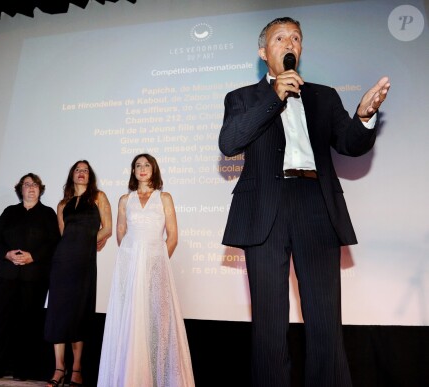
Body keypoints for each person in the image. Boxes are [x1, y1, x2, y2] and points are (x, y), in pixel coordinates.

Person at [218, 17, 390, 387]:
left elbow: (351, 145)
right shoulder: (242, 98)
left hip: (316, 204)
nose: (289, 42)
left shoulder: (323, 96)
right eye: (280, 37)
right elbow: (229, 143)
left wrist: (364, 116)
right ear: (264, 53)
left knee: (325, 317)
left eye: (296, 37)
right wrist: (272, 96)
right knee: (269, 320)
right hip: (265, 208)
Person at [97, 153, 195, 387]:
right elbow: (121, 233)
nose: (142, 169)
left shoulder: (164, 198)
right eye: (138, 165)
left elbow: (172, 236)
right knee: (130, 319)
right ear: (133, 171)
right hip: (130, 267)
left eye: (146, 165)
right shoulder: (124, 199)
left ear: (154, 170)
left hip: (155, 265)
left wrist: (157, 263)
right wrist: (131, 261)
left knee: (156, 323)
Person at [0, 173, 61, 381]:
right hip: (5, 275)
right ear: (20, 189)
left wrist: (33, 256)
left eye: (35, 184)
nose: (31, 188)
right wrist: (6, 254)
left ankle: (22, 370)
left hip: (34, 278)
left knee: (28, 324)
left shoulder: (48, 214)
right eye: (27, 184)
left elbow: (54, 242)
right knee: (1, 321)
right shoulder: (10, 211)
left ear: (40, 189)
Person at [44, 160, 112, 387]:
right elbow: (63, 234)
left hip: (84, 263)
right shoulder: (63, 204)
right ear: (72, 176)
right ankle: (58, 369)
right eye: (77, 170)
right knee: (58, 314)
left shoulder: (98, 197)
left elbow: (108, 228)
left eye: (85, 170)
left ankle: (76, 369)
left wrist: (90, 240)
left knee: (79, 313)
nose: (81, 173)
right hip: (62, 262)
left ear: (89, 176)